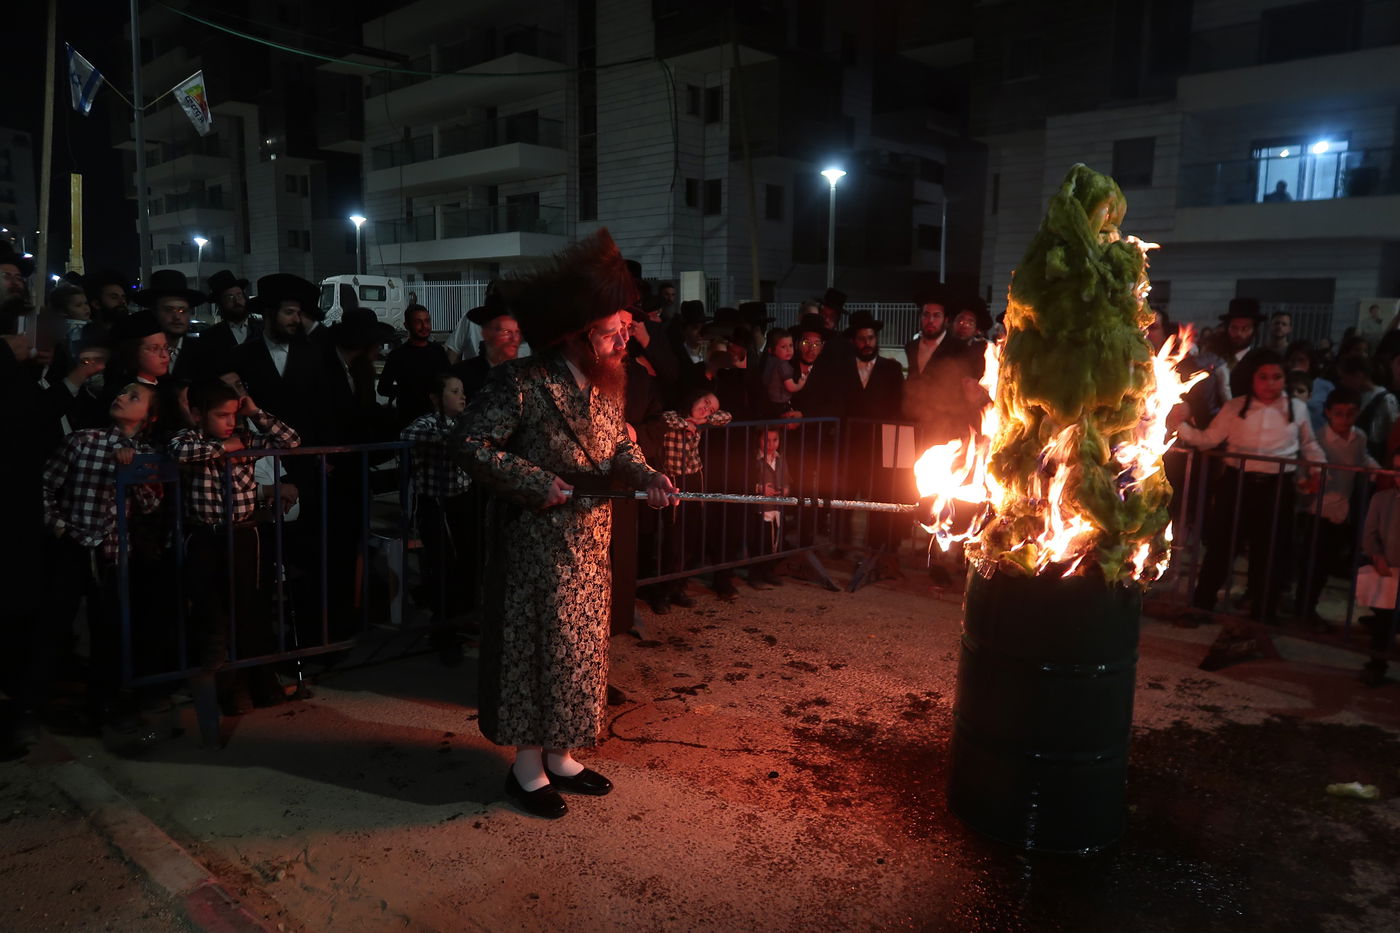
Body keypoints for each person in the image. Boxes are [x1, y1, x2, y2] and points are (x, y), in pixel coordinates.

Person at [449, 229, 677, 819]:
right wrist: (532, 482)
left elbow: (618, 454)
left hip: (590, 545)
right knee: (535, 651)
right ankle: (526, 768)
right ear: (579, 336)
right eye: (613, 330)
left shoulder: (609, 386)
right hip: (534, 546)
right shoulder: (521, 383)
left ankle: (562, 753)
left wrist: (649, 476)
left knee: (579, 650)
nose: (625, 337)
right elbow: (469, 442)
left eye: (625, 327)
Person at [169, 378, 300, 713]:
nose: (230, 422)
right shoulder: (190, 439)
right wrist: (224, 449)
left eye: (233, 415)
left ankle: (261, 682)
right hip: (204, 536)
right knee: (212, 616)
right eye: (221, 415)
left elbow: (291, 441)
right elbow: (178, 452)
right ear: (198, 415)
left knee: (250, 610)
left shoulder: (247, 437)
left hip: (243, 534)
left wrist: (255, 412)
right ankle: (228, 690)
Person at [1169, 349, 1325, 626]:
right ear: (1252, 378)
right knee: (1221, 547)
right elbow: (1209, 439)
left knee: (1271, 551)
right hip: (1236, 484)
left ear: (1284, 379)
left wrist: (1317, 471)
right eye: (1263, 377)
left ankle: (1263, 614)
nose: (1269, 384)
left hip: (1278, 489)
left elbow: (1310, 445)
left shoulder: (1297, 409)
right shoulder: (1234, 407)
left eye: (1276, 377)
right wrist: (1178, 426)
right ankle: (1202, 606)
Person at [41, 382, 163, 730]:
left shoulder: (144, 452)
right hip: (74, 545)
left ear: (148, 417)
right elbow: (46, 484)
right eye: (123, 392)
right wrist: (58, 525)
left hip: (112, 553)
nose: (121, 396)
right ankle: (31, 704)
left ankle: (101, 704)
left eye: (133, 397)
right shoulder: (83, 440)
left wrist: (134, 471)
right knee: (54, 624)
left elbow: (151, 504)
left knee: (107, 630)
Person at [400, 373, 474, 666]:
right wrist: (447, 439)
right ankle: (443, 632)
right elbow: (406, 435)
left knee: (464, 563)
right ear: (436, 398)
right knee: (442, 565)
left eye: (462, 391)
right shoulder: (428, 423)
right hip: (435, 503)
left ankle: (458, 621)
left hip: (462, 500)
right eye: (454, 391)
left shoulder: (464, 422)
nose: (462, 396)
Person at [1296, 387, 1375, 629]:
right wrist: (1309, 485)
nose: (1344, 419)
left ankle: (1308, 609)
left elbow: (1363, 459)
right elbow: (1300, 476)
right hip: (1317, 512)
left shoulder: (1359, 437)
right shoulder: (1317, 440)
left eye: (1350, 413)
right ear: (1328, 413)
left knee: (1326, 565)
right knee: (1312, 566)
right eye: (1339, 413)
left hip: (1342, 512)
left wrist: (1379, 472)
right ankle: (1303, 611)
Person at [652, 388, 734, 611]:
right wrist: (686, 423)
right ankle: (661, 592)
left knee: (690, 535)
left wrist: (704, 416)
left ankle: (678, 587)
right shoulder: (672, 416)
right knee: (672, 538)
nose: (707, 409)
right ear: (695, 396)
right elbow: (665, 419)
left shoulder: (705, 419)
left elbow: (727, 417)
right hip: (672, 479)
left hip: (694, 479)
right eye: (706, 402)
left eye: (712, 408)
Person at [1359, 444, 1400, 686]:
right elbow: (1369, 535)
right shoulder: (1382, 499)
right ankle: (1376, 664)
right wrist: (1376, 555)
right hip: (1389, 573)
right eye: (1396, 470)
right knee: (1384, 621)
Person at [131, 269, 216, 385]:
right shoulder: (137, 354)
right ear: (154, 312)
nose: (177, 316)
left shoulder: (206, 354)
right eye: (168, 310)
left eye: (182, 310)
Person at [378, 303, 450, 425]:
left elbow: (449, 379)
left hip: (437, 418)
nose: (424, 326)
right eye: (418, 322)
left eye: (427, 321)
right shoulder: (397, 355)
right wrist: (406, 390)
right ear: (407, 325)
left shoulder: (438, 351)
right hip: (408, 419)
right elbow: (383, 388)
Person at [450, 303, 522, 401]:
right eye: (506, 331)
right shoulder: (461, 376)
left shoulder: (525, 376)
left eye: (517, 332)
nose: (514, 339)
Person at [747, 426, 789, 587]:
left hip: (776, 507)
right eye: (766, 440)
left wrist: (785, 488)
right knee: (759, 542)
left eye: (775, 440)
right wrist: (759, 488)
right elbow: (748, 480)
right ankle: (755, 575)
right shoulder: (755, 460)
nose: (771, 444)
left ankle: (769, 571)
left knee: (774, 542)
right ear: (759, 440)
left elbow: (787, 478)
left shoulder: (780, 458)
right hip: (760, 508)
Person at [201, 270, 259, 363]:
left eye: (239, 295)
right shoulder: (209, 336)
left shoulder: (263, 329)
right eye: (229, 297)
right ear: (220, 303)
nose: (237, 301)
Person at [760, 327, 805, 418]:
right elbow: (791, 387)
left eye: (791, 345)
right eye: (783, 347)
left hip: (768, 403)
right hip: (780, 405)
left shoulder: (769, 360)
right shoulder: (783, 365)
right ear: (771, 350)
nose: (789, 350)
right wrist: (801, 384)